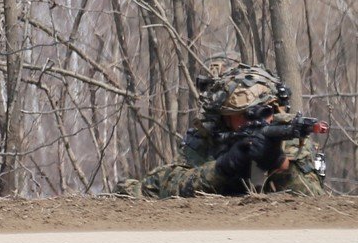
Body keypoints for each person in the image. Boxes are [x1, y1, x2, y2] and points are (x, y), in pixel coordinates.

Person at [118, 61, 327, 198]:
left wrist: (279, 165)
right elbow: (159, 186)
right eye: (245, 114)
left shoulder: (286, 133)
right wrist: (222, 168)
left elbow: (313, 199)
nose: (260, 120)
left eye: (267, 110)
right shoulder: (210, 135)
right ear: (225, 118)